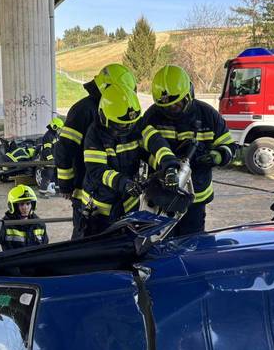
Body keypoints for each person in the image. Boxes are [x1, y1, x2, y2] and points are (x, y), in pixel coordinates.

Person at [143, 65, 237, 236]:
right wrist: (165, 164)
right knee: (160, 242)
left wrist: (216, 156)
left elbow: (230, 147)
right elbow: (142, 152)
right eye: (166, 107)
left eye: (177, 104)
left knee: (191, 242)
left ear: (189, 94)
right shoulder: (152, 116)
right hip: (163, 195)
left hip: (196, 197)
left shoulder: (208, 115)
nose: (172, 109)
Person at [82, 83, 179, 236]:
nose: (127, 129)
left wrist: (169, 166)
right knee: (99, 246)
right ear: (104, 117)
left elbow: (156, 142)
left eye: (130, 124)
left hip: (128, 203)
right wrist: (124, 183)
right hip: (101, 207)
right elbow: (98, 170)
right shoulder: (94, 135)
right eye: (121, 125)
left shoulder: (135, 124)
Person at [55, 63, 137, 239]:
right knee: (84, 237)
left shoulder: (116, 108)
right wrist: (66, 184)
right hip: (86, 189)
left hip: (115, 190)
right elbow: (64, 148)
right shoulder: (82, 110)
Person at [1, 184, 49, 250]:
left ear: (32, 205)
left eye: (28, 203)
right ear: (13, 206)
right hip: (15, 257)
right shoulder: (5, 225)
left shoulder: (39, 224)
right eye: (21, 204)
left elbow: (45, 247)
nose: (25, 207)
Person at [37, 116, 64, 197]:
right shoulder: (48, 136)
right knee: (47, 175)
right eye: (58, 128)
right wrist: (50, 159)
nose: (59, 130)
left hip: (55, 160)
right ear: (54, 126)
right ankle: (42, 193)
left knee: (57, 175)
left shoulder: (55, 135)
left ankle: (58, 192)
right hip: (48, 160)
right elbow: (47, 150)